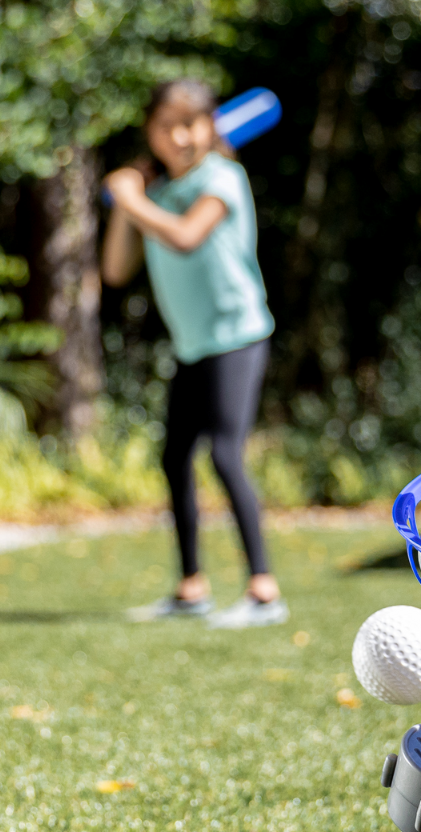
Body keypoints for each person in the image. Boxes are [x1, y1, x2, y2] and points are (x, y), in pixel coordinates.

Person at [102, 78, 286, 629]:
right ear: (151, 134)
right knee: (174, 458)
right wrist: (128, 202)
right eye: (168, 126)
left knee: (225, 454)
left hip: (238, 336)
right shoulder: (154, 192)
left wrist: (132, 198)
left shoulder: (222, 177)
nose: (182, 136)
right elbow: (114, 270)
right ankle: (191, 588)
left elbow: (186, 236)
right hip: (192, 345)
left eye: (193, 123)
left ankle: (263, 591)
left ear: (211, 127)